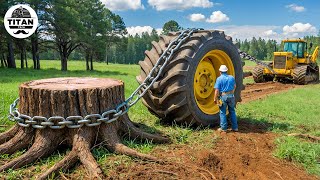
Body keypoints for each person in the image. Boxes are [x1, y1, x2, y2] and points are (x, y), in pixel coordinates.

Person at [214, 65, 238, 132]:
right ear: (226, 71)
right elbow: (235, 86)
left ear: (220, 71)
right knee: (232, 111)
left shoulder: (219, 79)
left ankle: (224, 128)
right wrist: (231, 93)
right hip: (231, 96)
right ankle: (235, 128)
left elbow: (216, 90)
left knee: (222, 112)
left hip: (223, 96)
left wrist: (215, 99)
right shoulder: (231, 77)